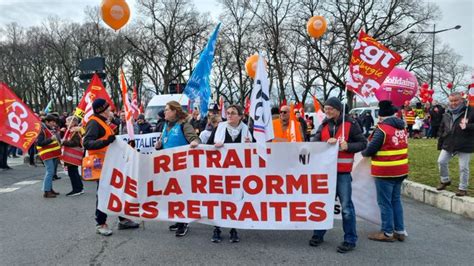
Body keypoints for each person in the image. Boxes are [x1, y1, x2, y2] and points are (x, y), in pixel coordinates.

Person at [309, 97, 367, 253]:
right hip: (326, 174)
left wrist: (348, 146)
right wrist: (325, 143)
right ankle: (318, 234)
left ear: (338, 110)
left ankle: (350, 240)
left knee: (347, 207)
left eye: (330, 109)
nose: (327, 111)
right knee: (322, 205)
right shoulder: (324, 125)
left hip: (342, 174)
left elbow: (363, 143)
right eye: (326, 108)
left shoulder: (351, 124)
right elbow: (314, 142)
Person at [83, 98, 140, 236]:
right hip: (101, 165)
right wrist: (107, 141)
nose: (110, 110)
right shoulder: (94, 122)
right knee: (103, 193)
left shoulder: (102, 122)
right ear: (101, 110)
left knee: (117, 191)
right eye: (108, 108)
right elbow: (87, 143)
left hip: (110, 163)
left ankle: (123, 219)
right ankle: (100, 223)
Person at [362, 100, 408, 242]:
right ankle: (400, 230)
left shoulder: (382, 129)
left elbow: (370, 150)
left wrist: (363, 153)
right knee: (396, 200)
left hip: (385, 171)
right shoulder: (402, 127)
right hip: (401, 170)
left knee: (385, 202)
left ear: (381, 116)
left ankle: (387, 232)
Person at [207, 104, 254, 243]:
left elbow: (257, 151)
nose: (229, 115)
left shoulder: (247, 130)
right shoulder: (219, 128)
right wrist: (214, 147)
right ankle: (217, 228)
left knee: (236, 199)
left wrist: (250, 144)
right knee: (219, 200)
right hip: (220, 172)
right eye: (227, 112)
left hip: (238, 174)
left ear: (241, 116)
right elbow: (207, 146)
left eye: (233, 113)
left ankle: (234, 228)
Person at [155, 101, 200, 237]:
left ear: (175, 111)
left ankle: (183, 222)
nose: (164, 112)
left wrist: (194, 142)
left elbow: (195, 139)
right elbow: (165, 143)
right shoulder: (165, 126)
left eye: (167, 109)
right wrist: (159, 145)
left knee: (182, 195)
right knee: (172, 195)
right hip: (168, 167)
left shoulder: (184, 125)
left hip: (182, 167)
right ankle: (178, 219)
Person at [436, 92, 474, 196]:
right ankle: (445, 180)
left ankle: (463, 188)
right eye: (451, 101)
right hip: (449, 142)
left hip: (465, 143)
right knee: (441, 161)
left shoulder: (470, 111)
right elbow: (443, 127)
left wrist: (468, 126)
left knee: (463, 167)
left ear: (461, 100)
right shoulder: (447, 112)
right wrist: (441, 140)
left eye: (456, 100)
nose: (453, 103)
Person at [36, 114, 62, 198]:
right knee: (50, 172)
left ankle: (49, 189)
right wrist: (51, 139)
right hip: (47, 154)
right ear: (47, 122)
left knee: (51, 172)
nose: (54, 124)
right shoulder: (42, 130)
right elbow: (39, 143)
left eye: (55, 122)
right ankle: (47, 191)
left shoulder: (49, 129)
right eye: (52, 122)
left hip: (52, 153)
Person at [61, 116, 84, 196]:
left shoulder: (75, 131)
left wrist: (63, 142)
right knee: (74, 172)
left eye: (67, 122)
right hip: (71, 157)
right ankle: (79, 188)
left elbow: (75, 143)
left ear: (73, 123)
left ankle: (77, 189)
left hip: (73, 156)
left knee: (73, 173)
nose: (66, 123)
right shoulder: (70, 130)